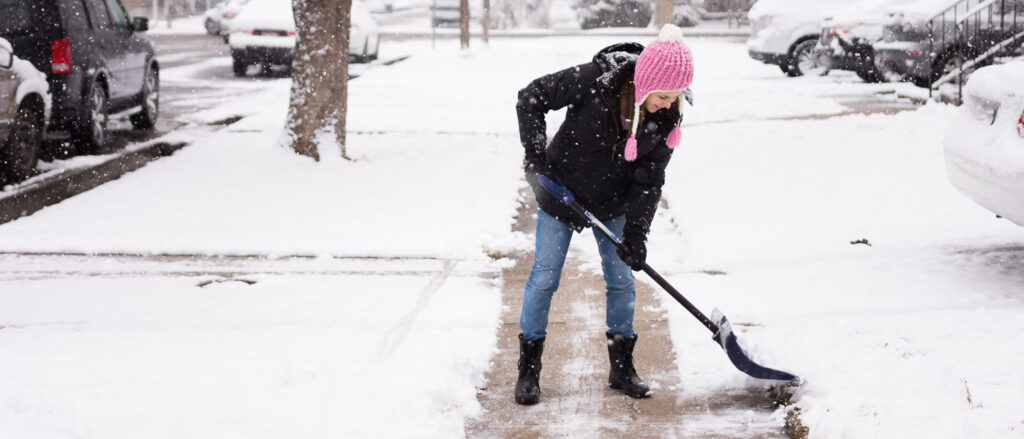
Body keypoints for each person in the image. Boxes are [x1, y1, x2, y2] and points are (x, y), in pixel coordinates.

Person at [513, 24, 694, 405]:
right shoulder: (595, 80)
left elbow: (649, 182)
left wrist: (637, 236)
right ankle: (529, 369)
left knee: (621, 279)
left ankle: (622, 367)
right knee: (544, 278)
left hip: (614, 204)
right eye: (663, 96)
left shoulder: (666, 119)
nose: (668, 104)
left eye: (676, 98)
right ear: (645, 84)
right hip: (560, 192)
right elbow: (531, 97)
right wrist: (535, 155)